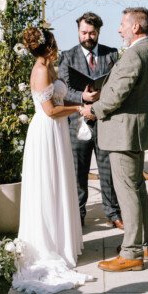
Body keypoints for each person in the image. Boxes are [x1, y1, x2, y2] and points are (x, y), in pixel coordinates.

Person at [81, 7, 148, 272]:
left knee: (127, 194)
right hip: (132, 133)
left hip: (123, 135)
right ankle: (144, 244)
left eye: (123, 24)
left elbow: (116, 95)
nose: (119, 29)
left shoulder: (135, 54)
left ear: (136, 27)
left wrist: (92, 110)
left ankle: (131, 254)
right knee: (137, 191)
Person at [12, 27, 90, 294]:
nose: (58, 46)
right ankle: (48, 245)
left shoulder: (49, 66)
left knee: (59, 184)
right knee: (48, 186)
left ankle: (60, 240)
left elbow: (58, 97)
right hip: (46, 131)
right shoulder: (42, 70)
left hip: (56, 132)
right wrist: (79, 108)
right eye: (55, 43)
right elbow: (50, 109)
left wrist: (81, 98)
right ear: (48, 46)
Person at [58, 12, 123, 229]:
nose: (88, 36)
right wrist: (83, 99)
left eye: (92, 33)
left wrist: (98, 104)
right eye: (84, 32)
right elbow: (64, 91)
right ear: (78, 31)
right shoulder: (67, 56)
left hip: (105, 120)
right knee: (79, 172)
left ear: (98, 33)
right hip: (77, 122)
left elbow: (118, 87)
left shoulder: (112, 54)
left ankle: (113, 212)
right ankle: (78, 214)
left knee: (108, 170)